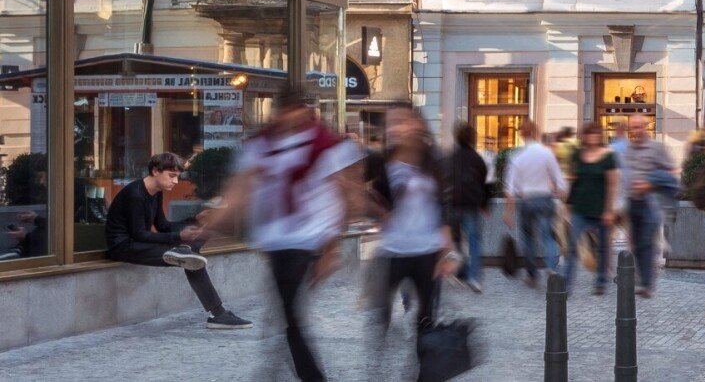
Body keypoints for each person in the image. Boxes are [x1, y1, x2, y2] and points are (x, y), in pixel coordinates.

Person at [199, 90, 364, 382]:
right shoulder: (261, 144)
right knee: (286, 312)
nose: (292, 117)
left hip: (307, 239)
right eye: (287, 111)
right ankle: (278, 370)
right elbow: (240, 190)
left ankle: (306, 376)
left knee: (289, 312)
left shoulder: (322, 143)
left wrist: (331, 250)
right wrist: (210, 224)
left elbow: (348, 193)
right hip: (276, 242)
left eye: (298, 110)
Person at [104, 152, 250, 330]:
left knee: (195, 248)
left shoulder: (155, 192)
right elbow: (139, 234)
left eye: (177, 177)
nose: (175, 181)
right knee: (191, 258)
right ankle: (218, 313)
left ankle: (217, 311)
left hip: (139, 243)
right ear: (156, 171)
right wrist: (179, 237)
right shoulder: (135, 194)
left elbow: (163, 226)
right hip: (123, 247)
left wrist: (195, 219)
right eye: (171, 176)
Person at [365, 105, 454, 366]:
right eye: (391, 123)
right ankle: (378, 366)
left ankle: (421, 371)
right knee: (380, 315)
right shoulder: (382, 162)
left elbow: (444, 207)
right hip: (393, 251)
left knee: (425, 320)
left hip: (427, 252)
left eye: (401, 121)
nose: (395, 128)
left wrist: (446, 252)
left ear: (417, 125)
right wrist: (378, 211)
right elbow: (371, 200)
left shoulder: (434, 161)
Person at [614, 114, 675, 298]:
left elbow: (671, 172)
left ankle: (647, 284)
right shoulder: (628, 150)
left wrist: (651, 183)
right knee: (636, 244)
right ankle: (643, 279)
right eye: (634, 127)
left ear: (647, 127)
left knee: (646, 241)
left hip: (651, 202)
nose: (637, 131)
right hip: (632, 202)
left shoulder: (657, 148)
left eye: (640, 126)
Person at [502, 119, 567, 286]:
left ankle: (532, 275)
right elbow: (559, 181)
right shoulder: (546, 153)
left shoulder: (516, 157)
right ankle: (551, 267)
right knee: (548, 236)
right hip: (544, 199)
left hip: (526, 200)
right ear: (537, 132)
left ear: (522, 135)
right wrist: (562, 197)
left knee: (527, 239)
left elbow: (509, 189)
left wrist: (508, 213)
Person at [561, 122, 617, 295]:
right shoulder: (578, 155)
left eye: (595, 133)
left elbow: (613, 185)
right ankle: (567, 284)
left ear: (600, 136)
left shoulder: (608, 157)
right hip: (580, 208)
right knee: (571, 246)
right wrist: (568, 203)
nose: (592, 137)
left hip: (601, 209)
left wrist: (609, 210)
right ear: (585, 136)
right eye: (589, 134)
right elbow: (574, 180)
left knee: (602, 248)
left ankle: (601, 282)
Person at [444, 123, 491, 294]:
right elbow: (484, 183)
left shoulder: (450, 158)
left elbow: (444, 182)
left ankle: (459, 272)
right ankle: (475, 279)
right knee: (474, 243)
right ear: (472, 138)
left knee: (456, 243)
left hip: (453, 205)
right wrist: (485, 204)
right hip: (471, 206)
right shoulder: (477, 159)